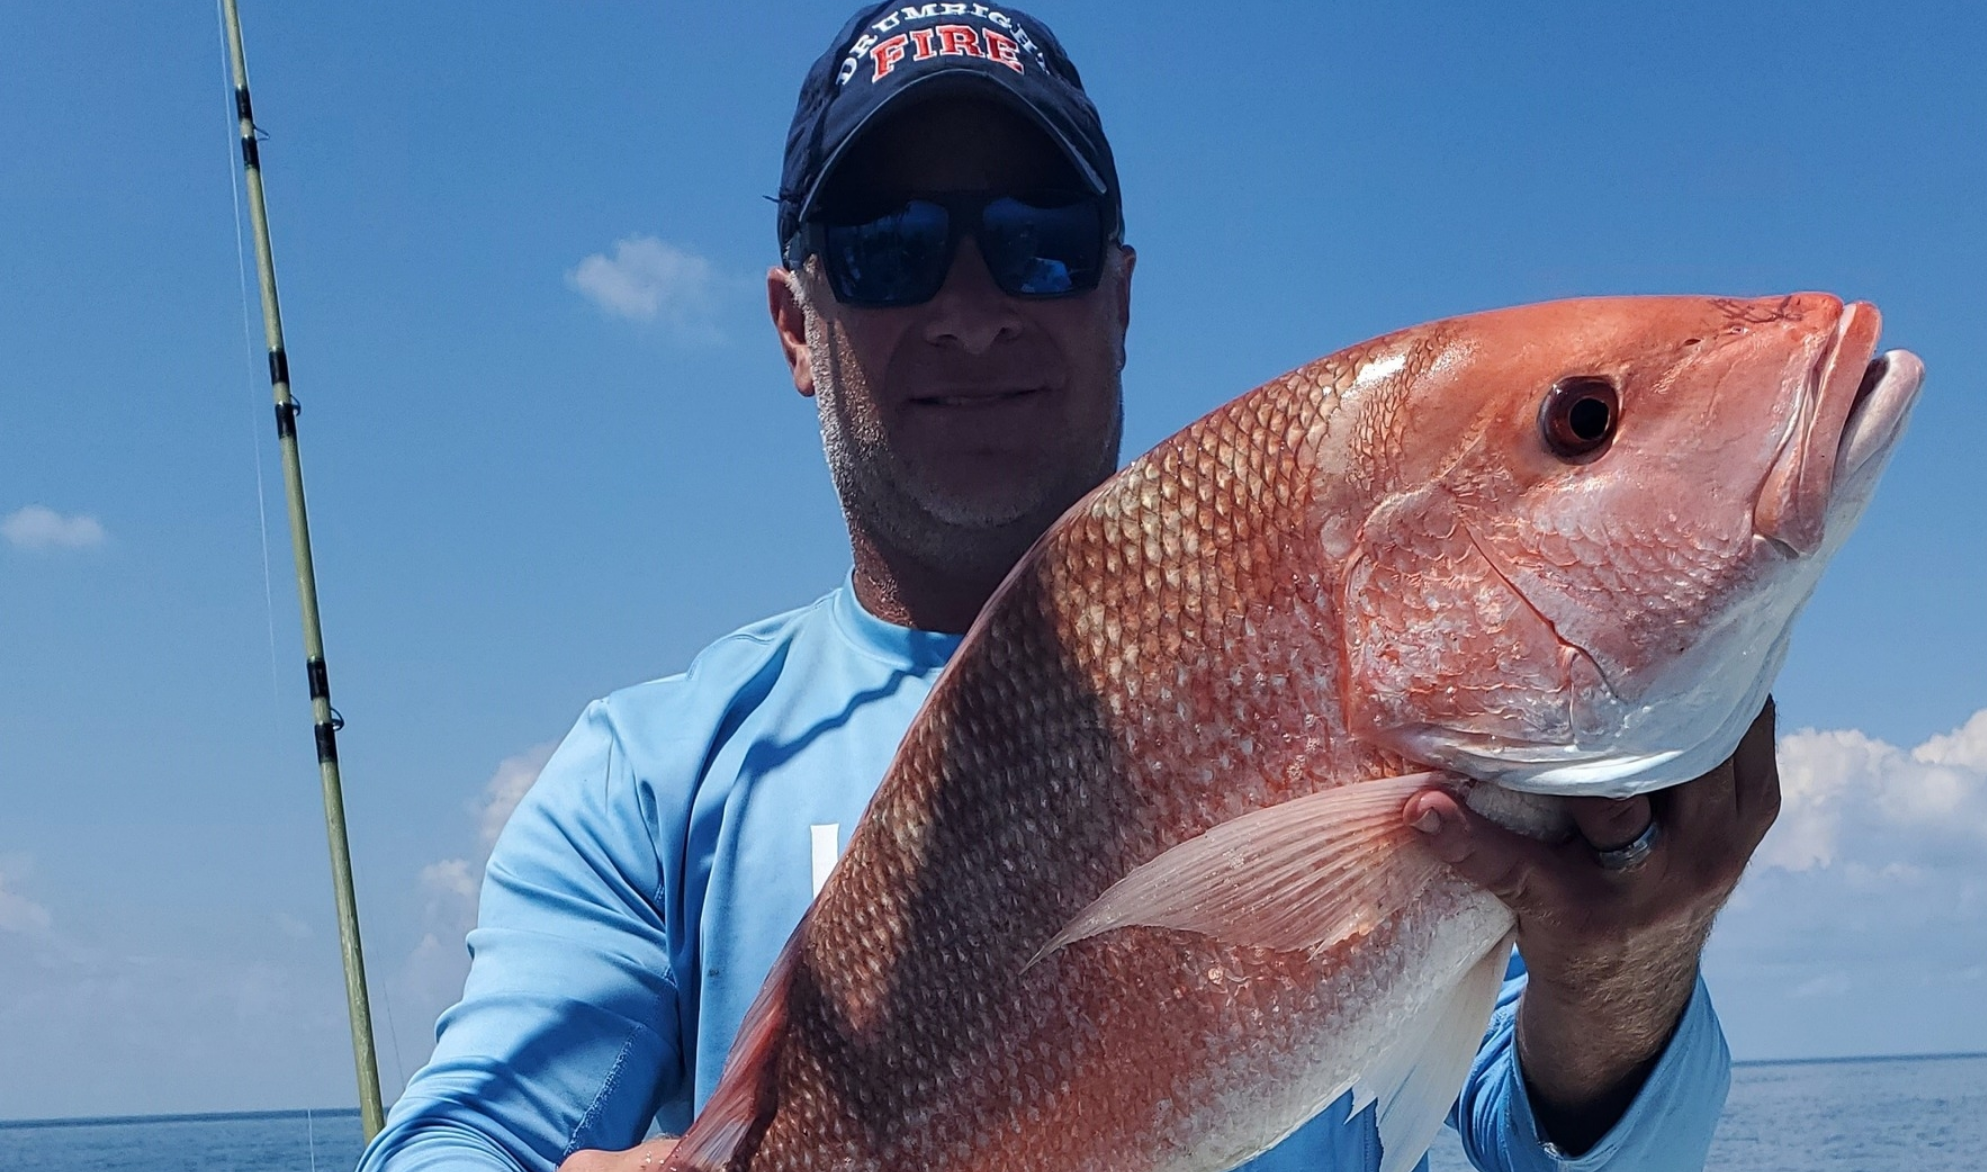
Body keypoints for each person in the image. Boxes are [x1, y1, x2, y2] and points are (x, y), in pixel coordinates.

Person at [358, 6, 1779, 1171]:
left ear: (1117, 293)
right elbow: (464, 1138)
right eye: (889, 249)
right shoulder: (649, 778)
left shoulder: (1487, 769)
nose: (971, 309)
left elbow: (1540, 1145)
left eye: (1036, 239)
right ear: (799, 325)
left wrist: (1624, 973)